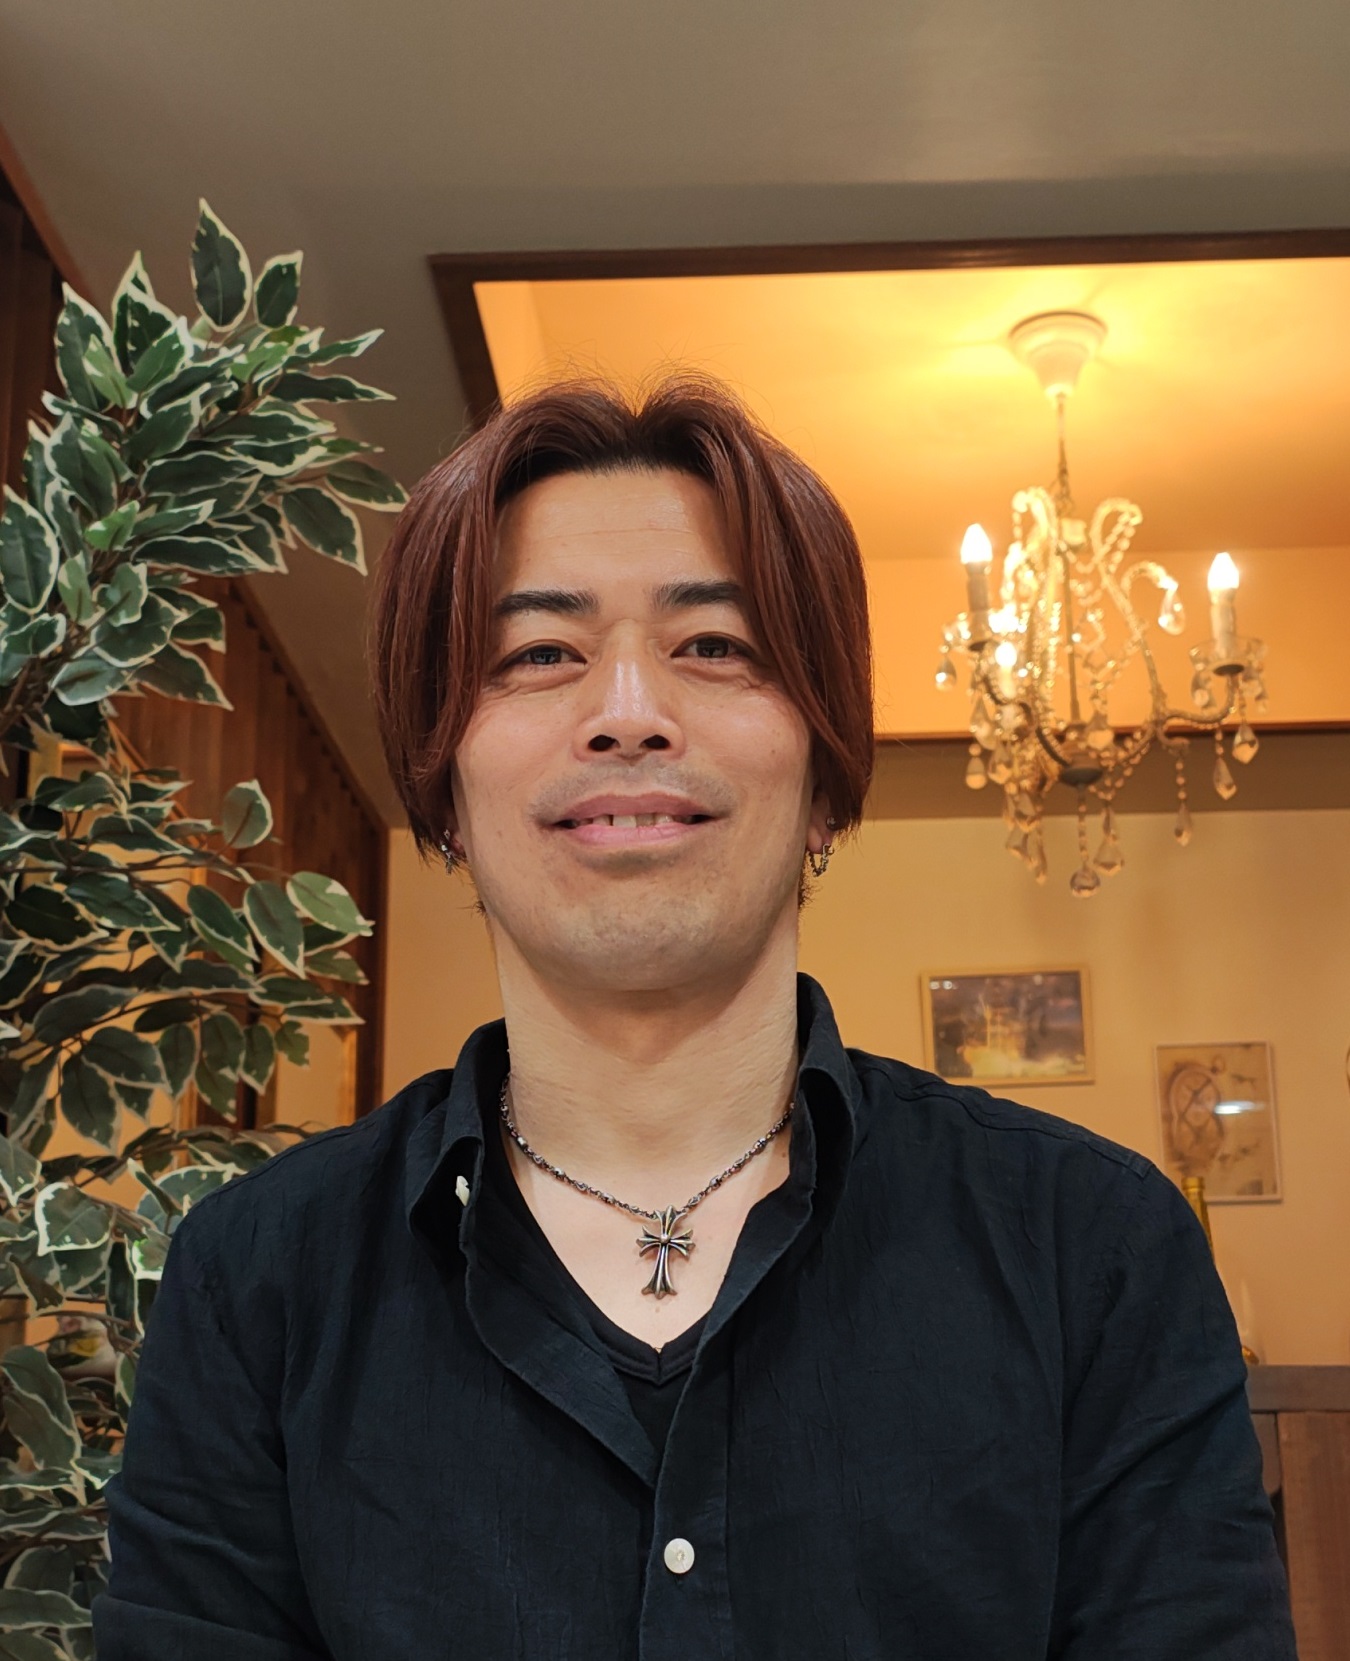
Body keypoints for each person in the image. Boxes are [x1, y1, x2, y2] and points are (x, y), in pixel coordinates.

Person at [96, 377, 1296, 1659]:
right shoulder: (255, 1278)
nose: (628, 712)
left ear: (825, 780)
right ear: (442, 791)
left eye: (714, 646)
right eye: (539, 653)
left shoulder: (1095, 1247)